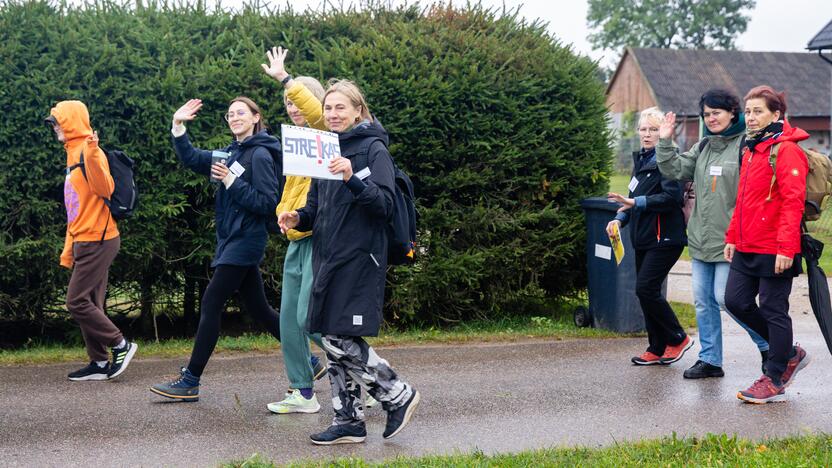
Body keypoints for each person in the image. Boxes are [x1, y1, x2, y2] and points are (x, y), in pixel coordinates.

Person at [279, 80, 420, 445]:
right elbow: (316, 209)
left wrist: (351, 178)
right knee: (329, 334)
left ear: (358, 110)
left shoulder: (374, 150)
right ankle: (348, 420)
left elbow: (384, 205)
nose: (333, 114)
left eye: (341, 108)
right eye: (328, 109)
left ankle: (396, 392)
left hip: (361, 257)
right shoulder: (324, 148)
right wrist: (298, 218)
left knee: (340, 335)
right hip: (327, 255)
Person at [150, 96, 303, 401]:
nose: (234, 118)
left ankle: (190, 380)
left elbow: (267, 203)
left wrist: (232, 180)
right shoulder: (230, 152)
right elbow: (193, 159)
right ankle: (309, 361)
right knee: (260, 309)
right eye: (230, 114)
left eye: (240, 113)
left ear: (255, 117)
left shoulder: (260, 154)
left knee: (210, 304)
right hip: (231, 240)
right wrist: (177, 125)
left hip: (246, 240)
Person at [656, 89, 770, 379]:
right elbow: (674, 169)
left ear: (733, 113)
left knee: (724, 298)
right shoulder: (704, 146)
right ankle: (710, 360)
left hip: (731, 241)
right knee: (703, 301)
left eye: (716, 112)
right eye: (707, 114)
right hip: (700, 239)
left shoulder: (746, 146)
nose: (711, 118)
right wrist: (666, 140)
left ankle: (771, 345)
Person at [724, 86, 811, 404]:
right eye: (747, 111)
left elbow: (793, 202)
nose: (750, 117)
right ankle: (788, 352)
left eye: (757, 111)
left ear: (776, 115)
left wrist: (787, 248)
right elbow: (743, 200)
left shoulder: (786, 150)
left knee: (774, 309)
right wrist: (732, 236)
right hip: (747, 243)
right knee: (735, 301)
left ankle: (774, 376)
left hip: (776, 246)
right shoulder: (750, 149)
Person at [260, 46, 331, 414]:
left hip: (320, 239)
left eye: (297, 101)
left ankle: (369, 373)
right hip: (296, 238)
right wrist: (284, 213)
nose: (293, 108)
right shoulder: (298, 139)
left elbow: (315, 111)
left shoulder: (323, 130)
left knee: (310, 318)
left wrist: (286, 79)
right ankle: (303, 393)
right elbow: (293, 188)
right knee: (289, 320)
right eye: (288, 104)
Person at [46, 100, 138, 382]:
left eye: (58, 122)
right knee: (91, 303)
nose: (55, 129)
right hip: (84, 239)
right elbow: (75, 208)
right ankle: (99, 363)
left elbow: (105, 187)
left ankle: (120, 344)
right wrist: (69, 248)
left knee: (75, 301)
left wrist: (94, 151)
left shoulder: (87, 149)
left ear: (72, 122)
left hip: (99, 239)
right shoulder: (72, 152)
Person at [606, 107, 693, 366]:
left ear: (663, 132)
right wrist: (618, 219)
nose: (647, 134)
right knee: (646, 292)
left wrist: (636, 202)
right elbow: (631, 200)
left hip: (665, 238)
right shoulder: (642, 161)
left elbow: (671, 198)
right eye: (643, 129)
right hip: (643, 238)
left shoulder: (667, 161)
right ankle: (656, 347)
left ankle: (677, 338)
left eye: (653, 129)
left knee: (646, 288)